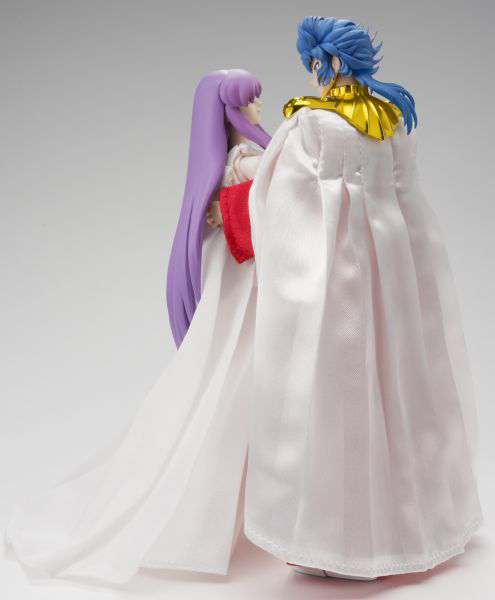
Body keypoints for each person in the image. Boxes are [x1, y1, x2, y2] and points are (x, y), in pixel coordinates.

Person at [210, 16, 482, 580]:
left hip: (335, 285)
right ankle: (410, 526)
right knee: (400, 390)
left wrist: (235, 182)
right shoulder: (391, 122)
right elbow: (411, 207)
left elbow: (281, 196)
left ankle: (333, 541)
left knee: (329, 396)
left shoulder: (310, 125)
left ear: (325, 66)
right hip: (392, 281)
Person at [4, 69, 270, 583]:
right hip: (244, 282)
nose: (259, 109)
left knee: (234, 384)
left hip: (238, 275)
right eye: (250, 103)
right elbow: (277, 200)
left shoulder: (225, 165)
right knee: (232, 383)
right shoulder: (247, 161)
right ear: (231, 113)